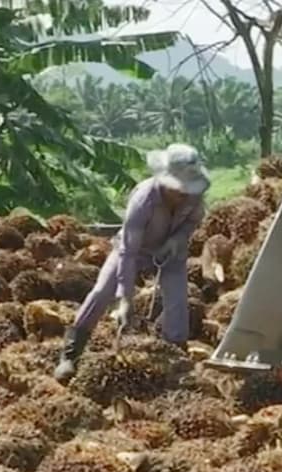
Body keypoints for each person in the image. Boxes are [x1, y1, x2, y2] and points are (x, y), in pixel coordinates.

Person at [54, 143, 210, 381]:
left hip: (170, 253)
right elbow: (128, 251)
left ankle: (177, 362)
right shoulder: (144, 200)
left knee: (178, 302)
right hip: (132, 250)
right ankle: (70, 355)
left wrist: (177, 240)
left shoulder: (194, 196)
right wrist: (125, 299)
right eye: (178, 188)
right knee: (101, 292)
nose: (182, 194)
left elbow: (192, 222)